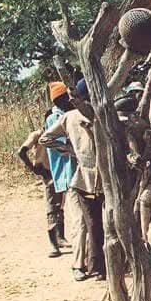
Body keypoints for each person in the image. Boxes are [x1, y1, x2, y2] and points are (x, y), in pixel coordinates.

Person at [40, 79, 106, 281]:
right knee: (83, 223)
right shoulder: (73, 117)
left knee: (93, 224)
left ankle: (93, 265)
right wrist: (70, 151)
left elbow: (46, 139)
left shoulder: (76, 116)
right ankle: (79, 265)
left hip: (83, 178)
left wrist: (70, 150)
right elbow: (45, 139)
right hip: (79, 178)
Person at [18, 109, 68, 257]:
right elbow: (21, 151)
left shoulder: (58, 136)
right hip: (47, 173)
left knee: (60, 204)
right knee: (52, 206)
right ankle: (53, 244)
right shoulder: (38, 135)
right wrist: (33, 168)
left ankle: (60, 237)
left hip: (58, 171)